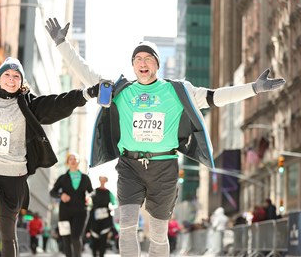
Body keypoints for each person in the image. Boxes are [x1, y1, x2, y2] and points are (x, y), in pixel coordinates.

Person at [45, 17, 286, 257]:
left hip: (165, 168)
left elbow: (215, 97)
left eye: (148, 58)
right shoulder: (121, 90)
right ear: (132, 65)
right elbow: (87, 73)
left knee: (159, 233)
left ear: (157, 65)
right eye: (138, 58)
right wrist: (61, 44)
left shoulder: (177, 90)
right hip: (129, 166)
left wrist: (253, 88)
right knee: (127, 224)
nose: (143, 62)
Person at [0, 14, 99, 257]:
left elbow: (58, 103)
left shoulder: (28, 105)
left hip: (13, 176)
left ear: (22, 82)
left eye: (17, 77)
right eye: (8, 75)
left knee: (7, 231)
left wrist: (87, 93)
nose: (12, 79)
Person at [50, 152, 93, 257]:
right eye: (70, 159)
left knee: (75, 237)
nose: (73, 161)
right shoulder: (62, 178)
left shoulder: (85, 178)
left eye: (75, 159)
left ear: (78, 162)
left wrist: (89, 197)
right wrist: (61, 195)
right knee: (66, 238)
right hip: (65, 212)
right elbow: (52, 192)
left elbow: (91, 192)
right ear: (67, 162)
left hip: (81, 211)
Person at [88, 176, 117, 257]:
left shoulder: (109, 192)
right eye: (101, 180)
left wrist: (111, 208)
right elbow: (89, 202)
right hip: (95, 219)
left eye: (104, 180)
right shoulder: (95, 191)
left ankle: (101, 255)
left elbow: (114, 203)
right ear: (99, 180)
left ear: (106, 181)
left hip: (105, 220)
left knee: (103, 240)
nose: (102, 181)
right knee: (94, 240)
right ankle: (94, 254)